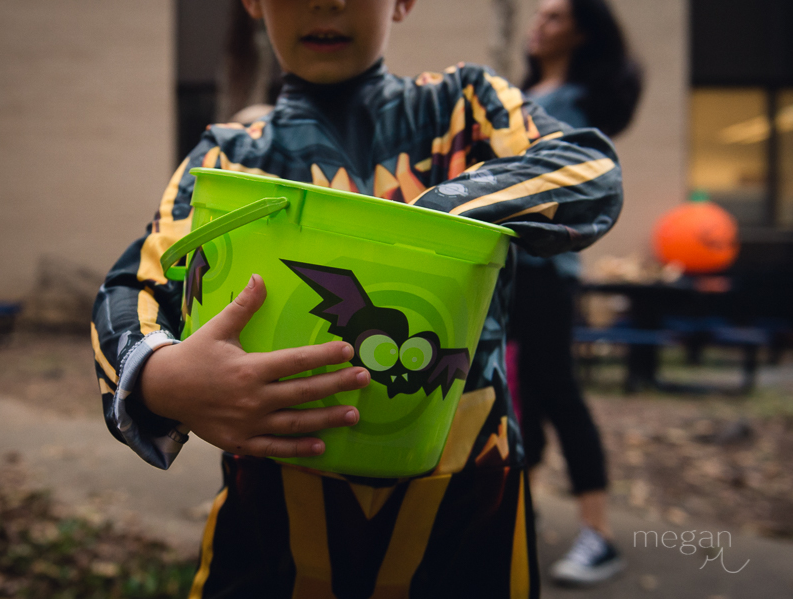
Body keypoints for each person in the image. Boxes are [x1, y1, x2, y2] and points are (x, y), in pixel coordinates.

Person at [91, 0, 623, 596]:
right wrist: (161, 377)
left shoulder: (467, 108)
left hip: (473, 518)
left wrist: (437, 220)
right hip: (269, 533)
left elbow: (590, 170)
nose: (326, 2)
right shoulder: (230, 157)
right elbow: (138, 281)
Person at [509, 0, 642, 586]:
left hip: (544, 272)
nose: (539, 25)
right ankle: (522, 510)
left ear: (583, 33)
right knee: (518, 394)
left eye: (556, 17)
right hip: (503, 270)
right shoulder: (524, 92)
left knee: (557, 389)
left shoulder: (578, 105)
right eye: (539, 16)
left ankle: (599, 534)